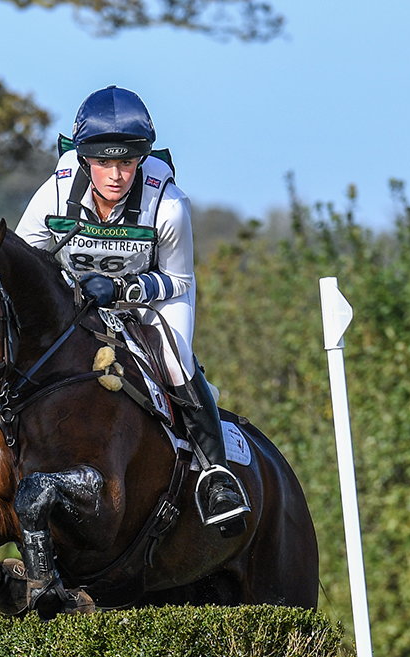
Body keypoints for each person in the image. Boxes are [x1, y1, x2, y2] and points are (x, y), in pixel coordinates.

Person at [16, 85, 250, 537]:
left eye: (127, 162)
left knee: (176, 361)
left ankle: (215, 475)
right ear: (84, 158)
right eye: (104, 161)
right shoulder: (55, 193)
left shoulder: (169, 204)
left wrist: (126, 287)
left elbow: (179, 280)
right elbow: (26, 261)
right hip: (78, 297)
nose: (116, 175)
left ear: (141, 159)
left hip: (154, 295)